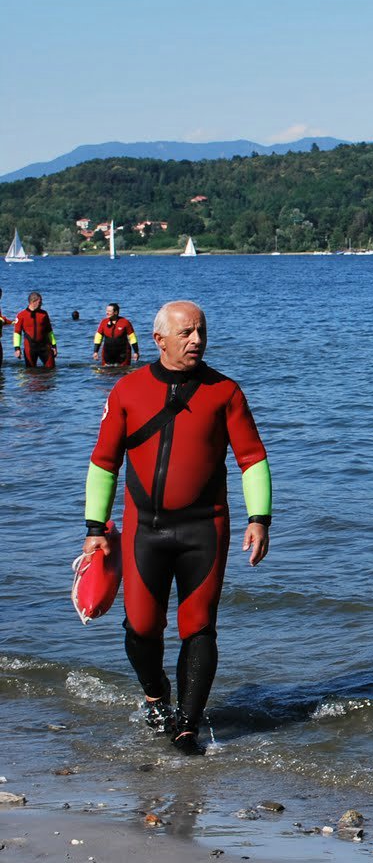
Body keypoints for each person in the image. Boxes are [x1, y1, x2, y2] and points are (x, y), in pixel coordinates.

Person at [82, 300, 273, 755]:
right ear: (159, 339)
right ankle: (155, 695)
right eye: (186, 332)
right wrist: (94, 527)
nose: (197, 341)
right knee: (142, 628)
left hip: (205, 527)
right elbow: (104, 462)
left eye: (201, 332)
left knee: (199, 626)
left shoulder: (225, 392)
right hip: (144, 530)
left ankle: (186, 726)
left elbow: (252, 459)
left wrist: (259, 518)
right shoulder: (128, 391)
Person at [13, 291, 56, 367]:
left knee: (51, 371)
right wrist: (17, 348)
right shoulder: (21, 315)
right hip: (30, 347)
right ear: (33, 302)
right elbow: (17, 333)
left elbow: (49, 331)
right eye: (40, 302)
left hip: (45, 346)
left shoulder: (44, 314)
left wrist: (54, 346)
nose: (41, 304)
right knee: (30, 373)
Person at [93, 302, 141, 367]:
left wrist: (136, 352)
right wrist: (95, 351)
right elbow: (98, 337)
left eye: (109, 311)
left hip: (123, 353)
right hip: (107, 353)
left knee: (124, 372)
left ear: (116, 312)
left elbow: (132, 338)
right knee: (105, 374)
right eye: (106, 310)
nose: (107, 312)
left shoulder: (125, 322)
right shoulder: (103, 322)